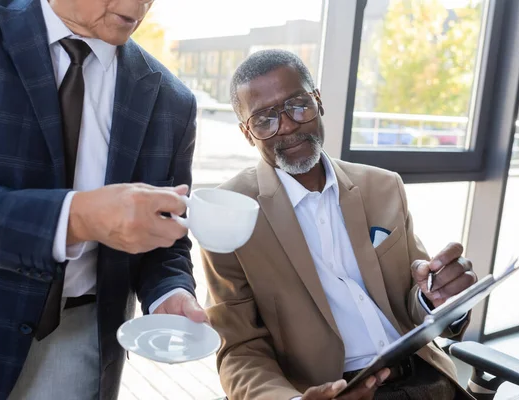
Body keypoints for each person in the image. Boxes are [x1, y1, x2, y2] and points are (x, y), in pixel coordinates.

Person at [0, 0, 206, 399]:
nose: (139, 5)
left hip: (84, 342)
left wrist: (170, 292)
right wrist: (77, 219)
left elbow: (168, 236)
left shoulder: (172, 100)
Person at [201, 49, 478, 400]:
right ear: (246, 132)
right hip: (331, 392)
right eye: (264, 119)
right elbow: (238, 349)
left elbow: (414, 298)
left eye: (298, 104)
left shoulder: (384, 186)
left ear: (318, 102)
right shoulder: (229, 213)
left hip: (426, 378)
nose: (287, 126)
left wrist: (439, 299)